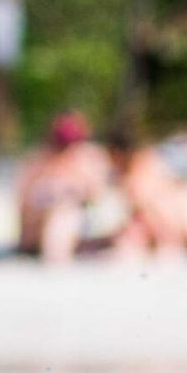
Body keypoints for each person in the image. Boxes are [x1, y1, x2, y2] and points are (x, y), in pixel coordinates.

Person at [13, 110, 112, 262]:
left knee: (65, 211)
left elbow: (101, 198)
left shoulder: (90, 159)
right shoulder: (38, 162)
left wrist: (73, 190)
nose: (66, 152)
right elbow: (23, 204)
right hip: (40, 229)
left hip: (82, 229)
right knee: (60, 211)